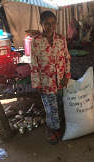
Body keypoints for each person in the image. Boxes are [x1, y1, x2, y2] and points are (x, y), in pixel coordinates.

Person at [31, 11, 71, 144]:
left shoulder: (61, 38)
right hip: (46, 81)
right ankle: (52, 130)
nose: (50, 26)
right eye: (47, 24)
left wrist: (67, 75)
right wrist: (37, 83)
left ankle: (59, 128)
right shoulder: (36, 41)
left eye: (53, 23)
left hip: (60, 78)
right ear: (41, 24)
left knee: (60, 104)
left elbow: (66, 58)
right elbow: (34, 63)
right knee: (50, 107)